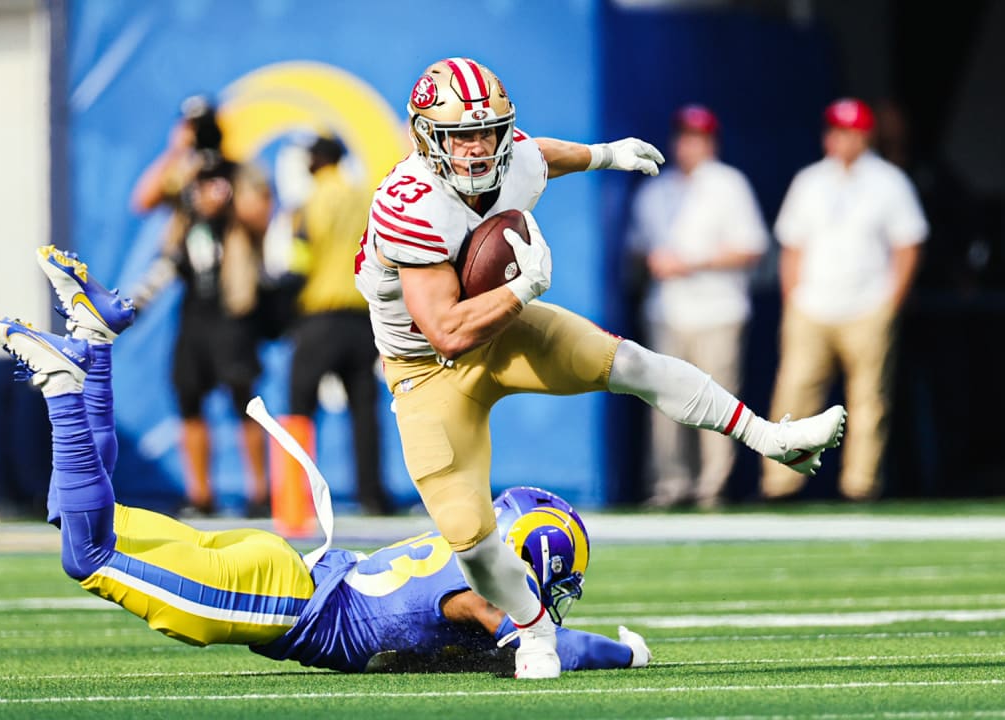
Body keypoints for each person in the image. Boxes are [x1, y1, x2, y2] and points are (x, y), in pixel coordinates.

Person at [354, 57, 847, 679]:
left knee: (628, 361)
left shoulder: (516, 158)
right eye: (461, 136)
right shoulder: (410, 204)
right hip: (426, 368)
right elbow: (446, 331)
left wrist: (606, 154)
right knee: (471, 541)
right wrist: (523, 289)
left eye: (489, 131)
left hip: (501, 332)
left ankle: (768, 436)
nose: (478, 149)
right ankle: (534, 633)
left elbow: (541, 155)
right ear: (428, 136)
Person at [0, 255, 651, 673]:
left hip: (288, 573)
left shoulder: (469, 548)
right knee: (86, 552)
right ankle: (66, 384)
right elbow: (549, 644)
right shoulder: (486, 596)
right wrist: (629, 652)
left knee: (87, 523)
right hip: (282, 601)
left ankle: (94, 343)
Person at [761, 98, 928, 502]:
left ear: (864, 136)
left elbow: (908, 244)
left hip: (867, 306)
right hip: (812, 306)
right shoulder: (810, 180)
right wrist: (793, 299)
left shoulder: (889, 181)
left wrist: (890, 303)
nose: (839, 139)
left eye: (849, 132)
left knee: (869, 401)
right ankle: (781, 485)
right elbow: (792, 245)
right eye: (834, 130)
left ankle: (861, 486)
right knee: (793, 394)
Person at [129, 97, 274, 519]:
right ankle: (201, 493)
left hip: (233, 303)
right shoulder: (185, 173)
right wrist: (177, 152)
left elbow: (261, 216)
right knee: (189, 398)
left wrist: (223, 201)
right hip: (193, 303)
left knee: (244, 398)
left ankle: (259, 492)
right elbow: (143, 199)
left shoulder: (241, 171)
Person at [626, 104, 770, 510]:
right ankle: (669, 485)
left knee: (716, 400)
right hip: (666, 311)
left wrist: (692, 263)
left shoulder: (729, 185)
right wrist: (652, 262)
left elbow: (751, 248)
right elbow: (636, 250)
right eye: (683, 136)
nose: (687, 145)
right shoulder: (656, 190)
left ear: (710, 142)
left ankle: (712, 486)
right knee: (664, 402)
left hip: (718, 311)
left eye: (696, 137)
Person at [285, 136, 390, 515]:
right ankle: (373, 496)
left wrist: (280, 304)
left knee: (299, 408)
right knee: (364, 412)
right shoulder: (364, 197)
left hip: (320, 316)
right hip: (361, 318)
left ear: (316, 160)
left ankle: (295, 501)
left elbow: (300, 259)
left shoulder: (312, 200)